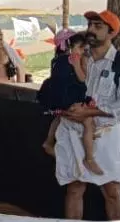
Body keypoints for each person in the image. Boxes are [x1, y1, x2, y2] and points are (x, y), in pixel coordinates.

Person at [56, 10, 120, 221]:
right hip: (74, 130)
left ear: (112, 33)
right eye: (90, 25)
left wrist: (90, 112)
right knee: (74, 188)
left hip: (105, 133)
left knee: (112, 190)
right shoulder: (80, 58)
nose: (91, 30)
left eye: (98, 26)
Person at [40, 31, 103, 175]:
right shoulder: (75, 61)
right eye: (80, 48)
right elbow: (82, 80)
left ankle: (49, 142)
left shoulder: (57, 60)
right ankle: (89, 158)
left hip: (61, 100)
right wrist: (77, 66)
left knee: (59, 117)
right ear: (70, 47)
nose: (82, 51)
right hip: (69, 100)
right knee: (88, 122)